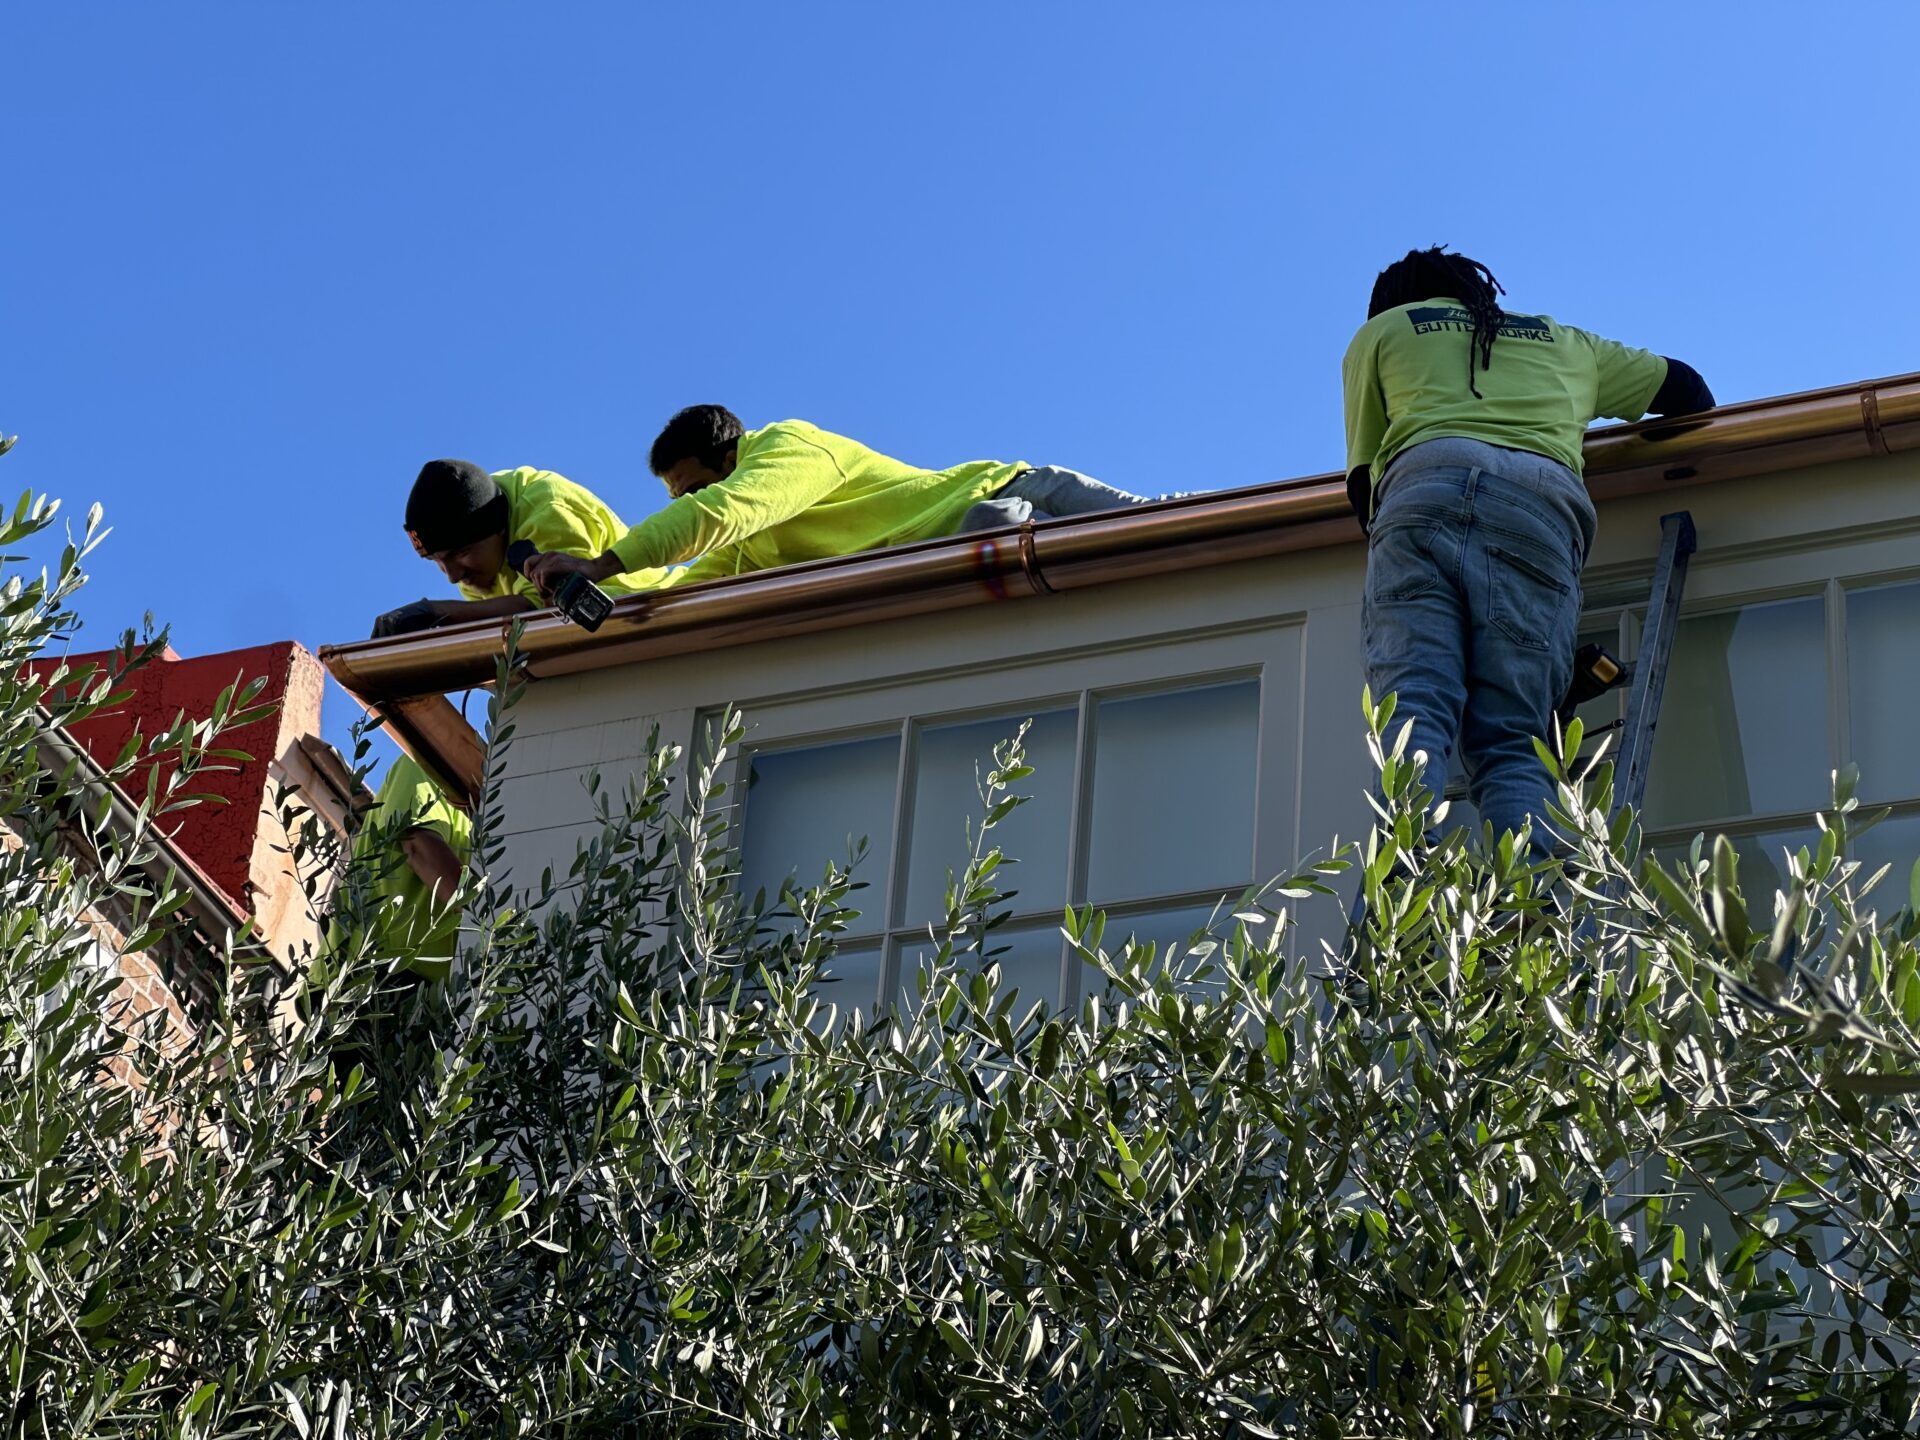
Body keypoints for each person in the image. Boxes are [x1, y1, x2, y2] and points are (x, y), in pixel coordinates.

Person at [1344, 246, 1715, 845]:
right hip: (1538, 502)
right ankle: (1536, 921)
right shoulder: (1565, 342)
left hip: (1424, 487)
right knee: (1515, 741)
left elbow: (1364, 486)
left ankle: (1401, 916)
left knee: (1414, 713)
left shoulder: (1385, 332)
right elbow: (1688, 391)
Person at [521, 407, 1152, 592]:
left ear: (730, 457)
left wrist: (602, 563)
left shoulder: (789, 449)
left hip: (1012, 497)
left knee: (1171, 522)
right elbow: (671, 597)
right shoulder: (747, 551)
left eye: (694, 487)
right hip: (967, 550)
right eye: (679, 498)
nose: (692, 504)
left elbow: (725, 510)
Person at [371, 460, 678, 638]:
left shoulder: (547, 509)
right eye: (437, 561)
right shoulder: (480, 557)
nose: (452, 576)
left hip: (653, 619)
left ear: (499, 528)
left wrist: (439, 614)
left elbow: (543, 611)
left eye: (460, 553)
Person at [342, 754, 472, 970]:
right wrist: (491, 919)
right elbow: (418, 848)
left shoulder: (481, 821)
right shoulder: (430, 767)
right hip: (370, 970)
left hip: (422, 986)